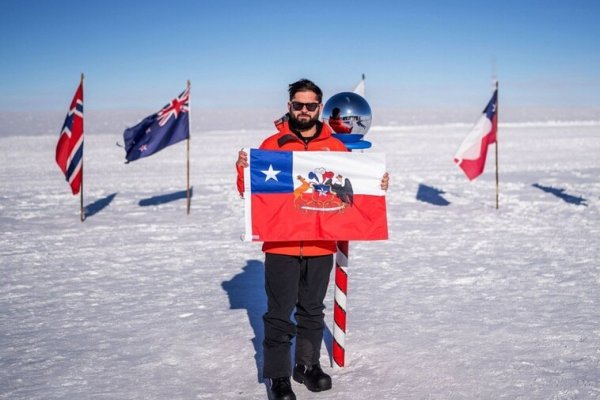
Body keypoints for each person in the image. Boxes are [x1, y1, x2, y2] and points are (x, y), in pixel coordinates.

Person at [236, 79, 389, 400]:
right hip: (281, 244)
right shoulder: (272, 144)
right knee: (279, 311)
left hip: (321, 242)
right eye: (297, 104)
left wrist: (377, 183)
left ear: (320, 108)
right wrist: (243, 171)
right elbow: (251, 194)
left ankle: (307, 366)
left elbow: (352, 189)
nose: (303, 110)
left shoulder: (336, 147)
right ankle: (278, 376)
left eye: (310, 105)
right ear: (289, 106)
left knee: (311, 309)